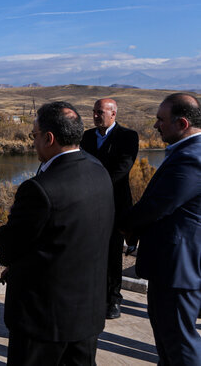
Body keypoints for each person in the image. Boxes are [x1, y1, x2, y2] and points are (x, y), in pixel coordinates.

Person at [0, 101, 115, 365]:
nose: (32, 142)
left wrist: (3, 238)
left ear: (49, 138)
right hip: (87, 314)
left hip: (44, 320)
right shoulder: (99, 171)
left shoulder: (40, 189)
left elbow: (9, 248)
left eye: (34, 135)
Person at [119, 93, 201, 365]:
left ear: (182, 123)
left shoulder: (192, 158)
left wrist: (121, 225)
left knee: (179, 343)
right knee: (167, 340)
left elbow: (157, 206)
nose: (155, 126)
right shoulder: (186, 152)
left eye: (160, 120)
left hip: (178, 268)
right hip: (170, 266)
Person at [80, 98, 139, 319]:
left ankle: (113, 299)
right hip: (87, 205)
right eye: (94, 112)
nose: (95, 116)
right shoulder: (86, 137)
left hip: (114, 205)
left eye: (100, 112)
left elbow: (122, 169)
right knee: (89, 251)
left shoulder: (128, 136)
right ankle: (93, 295)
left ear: (113, 114)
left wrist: (92, 185)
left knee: (113, 254)